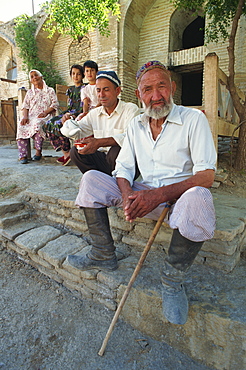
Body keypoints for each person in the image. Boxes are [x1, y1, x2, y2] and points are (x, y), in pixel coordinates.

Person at [67, 60, 217, 326]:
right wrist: (127, 196)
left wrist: (157, 196)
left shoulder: (193, 119)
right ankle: (103, 254)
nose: (156, 95)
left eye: (162, 86)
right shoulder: (136, 125)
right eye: (147, 89)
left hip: (177, 199)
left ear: (172, 87)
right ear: (139, 95)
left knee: (201, 197)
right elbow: (123, 167)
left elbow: (206, 175)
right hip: (142, 194)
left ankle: (172, 282)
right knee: (91, 179)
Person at [64, 70, 139, 175]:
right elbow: (78, 130)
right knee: (75, 152)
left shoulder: (130, 109)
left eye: (106, 90)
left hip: (126, 163)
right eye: (98, 90)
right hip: (104, 160)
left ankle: (119, 184)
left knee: (115, 151)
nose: (101, 95)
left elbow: (131, 137)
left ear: (117, 91)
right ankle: (98, 180)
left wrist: (99, 142)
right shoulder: (94, 113)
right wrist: (69, 124)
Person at [43, 64, 85, 166]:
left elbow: (82, 106)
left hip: (79, 114)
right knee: (48, 124)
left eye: (78, 74)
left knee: (59, 124)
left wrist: (72, 116)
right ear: (71, 75)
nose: (76, 76)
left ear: (82, 75)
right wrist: (66, 114)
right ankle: (66, 152)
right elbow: (70, 106)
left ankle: (69, 154)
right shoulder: (70, 90)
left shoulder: (85, 88)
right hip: (69, 113)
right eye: (73, 74)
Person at [16, 69, 59, 164]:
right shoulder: (30, 93)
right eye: (32, 77)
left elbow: (55, 104)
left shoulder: (50, 90)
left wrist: (45, 112)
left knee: (37, 123)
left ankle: (38, 152)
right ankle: (23, 155)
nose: (34, 77)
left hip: (45, 116)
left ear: (41, 77)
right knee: (21, 125)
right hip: (31, 116)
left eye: (36, 75)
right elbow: (25, 106)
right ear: (31, 81)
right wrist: (25, 117)